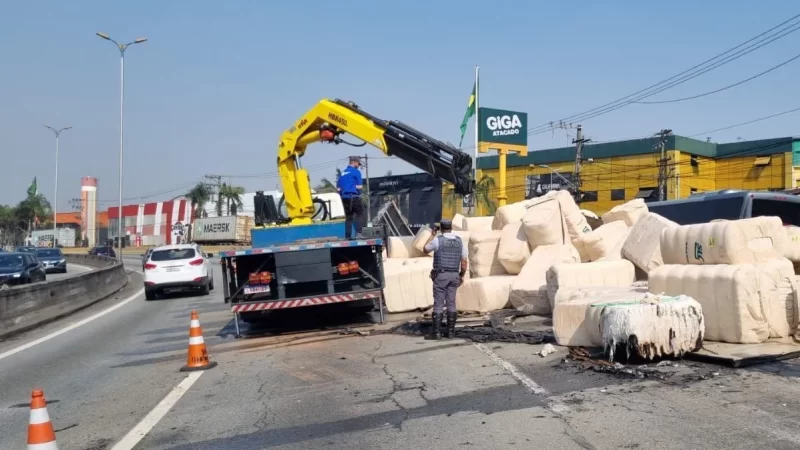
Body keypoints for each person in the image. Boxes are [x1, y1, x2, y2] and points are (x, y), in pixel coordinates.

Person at [422, 219, 468, 340]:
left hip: (441, 275)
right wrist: (461, 275)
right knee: (451, 303)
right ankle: (451, 332)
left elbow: (425, 249)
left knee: (438, 303)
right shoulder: (459, 242)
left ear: (441, 229)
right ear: (451, 227)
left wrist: (432, 235)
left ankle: (436, 333)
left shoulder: (438, 240)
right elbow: (464, 262)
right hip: (454, 275)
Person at [337, 156, 364, 240]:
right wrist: (358, 193)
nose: (358, 166)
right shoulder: (356, 172)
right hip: (354, 197)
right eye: (358, 164)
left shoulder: (342, 173)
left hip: (344, 198)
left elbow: (338, 188)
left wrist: (343, 193)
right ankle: (358, 233)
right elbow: (360, 186)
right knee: (360, 214)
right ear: (354, 162)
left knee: (348, 217)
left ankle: (348, 236)